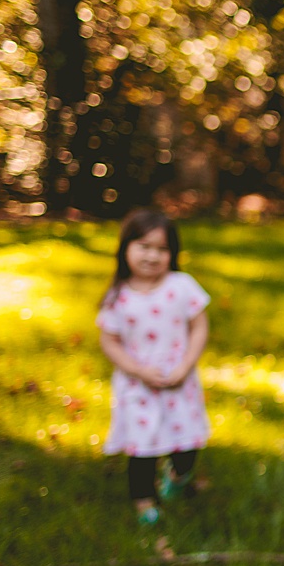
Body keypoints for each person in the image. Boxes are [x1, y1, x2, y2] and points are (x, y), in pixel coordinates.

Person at [97, 208, 211, 525]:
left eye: (161, 249)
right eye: (144, 246)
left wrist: (186, 365)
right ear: (126, 249)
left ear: (172, 254)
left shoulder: (182, 285)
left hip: (179, 380)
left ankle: (177, 478)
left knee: (188, 443)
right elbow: (109, 341)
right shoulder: (118, 297)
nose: (152, 256)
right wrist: (138, 371)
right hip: (138, 385)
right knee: (142, 450)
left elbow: (199, 327)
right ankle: (143, 499)